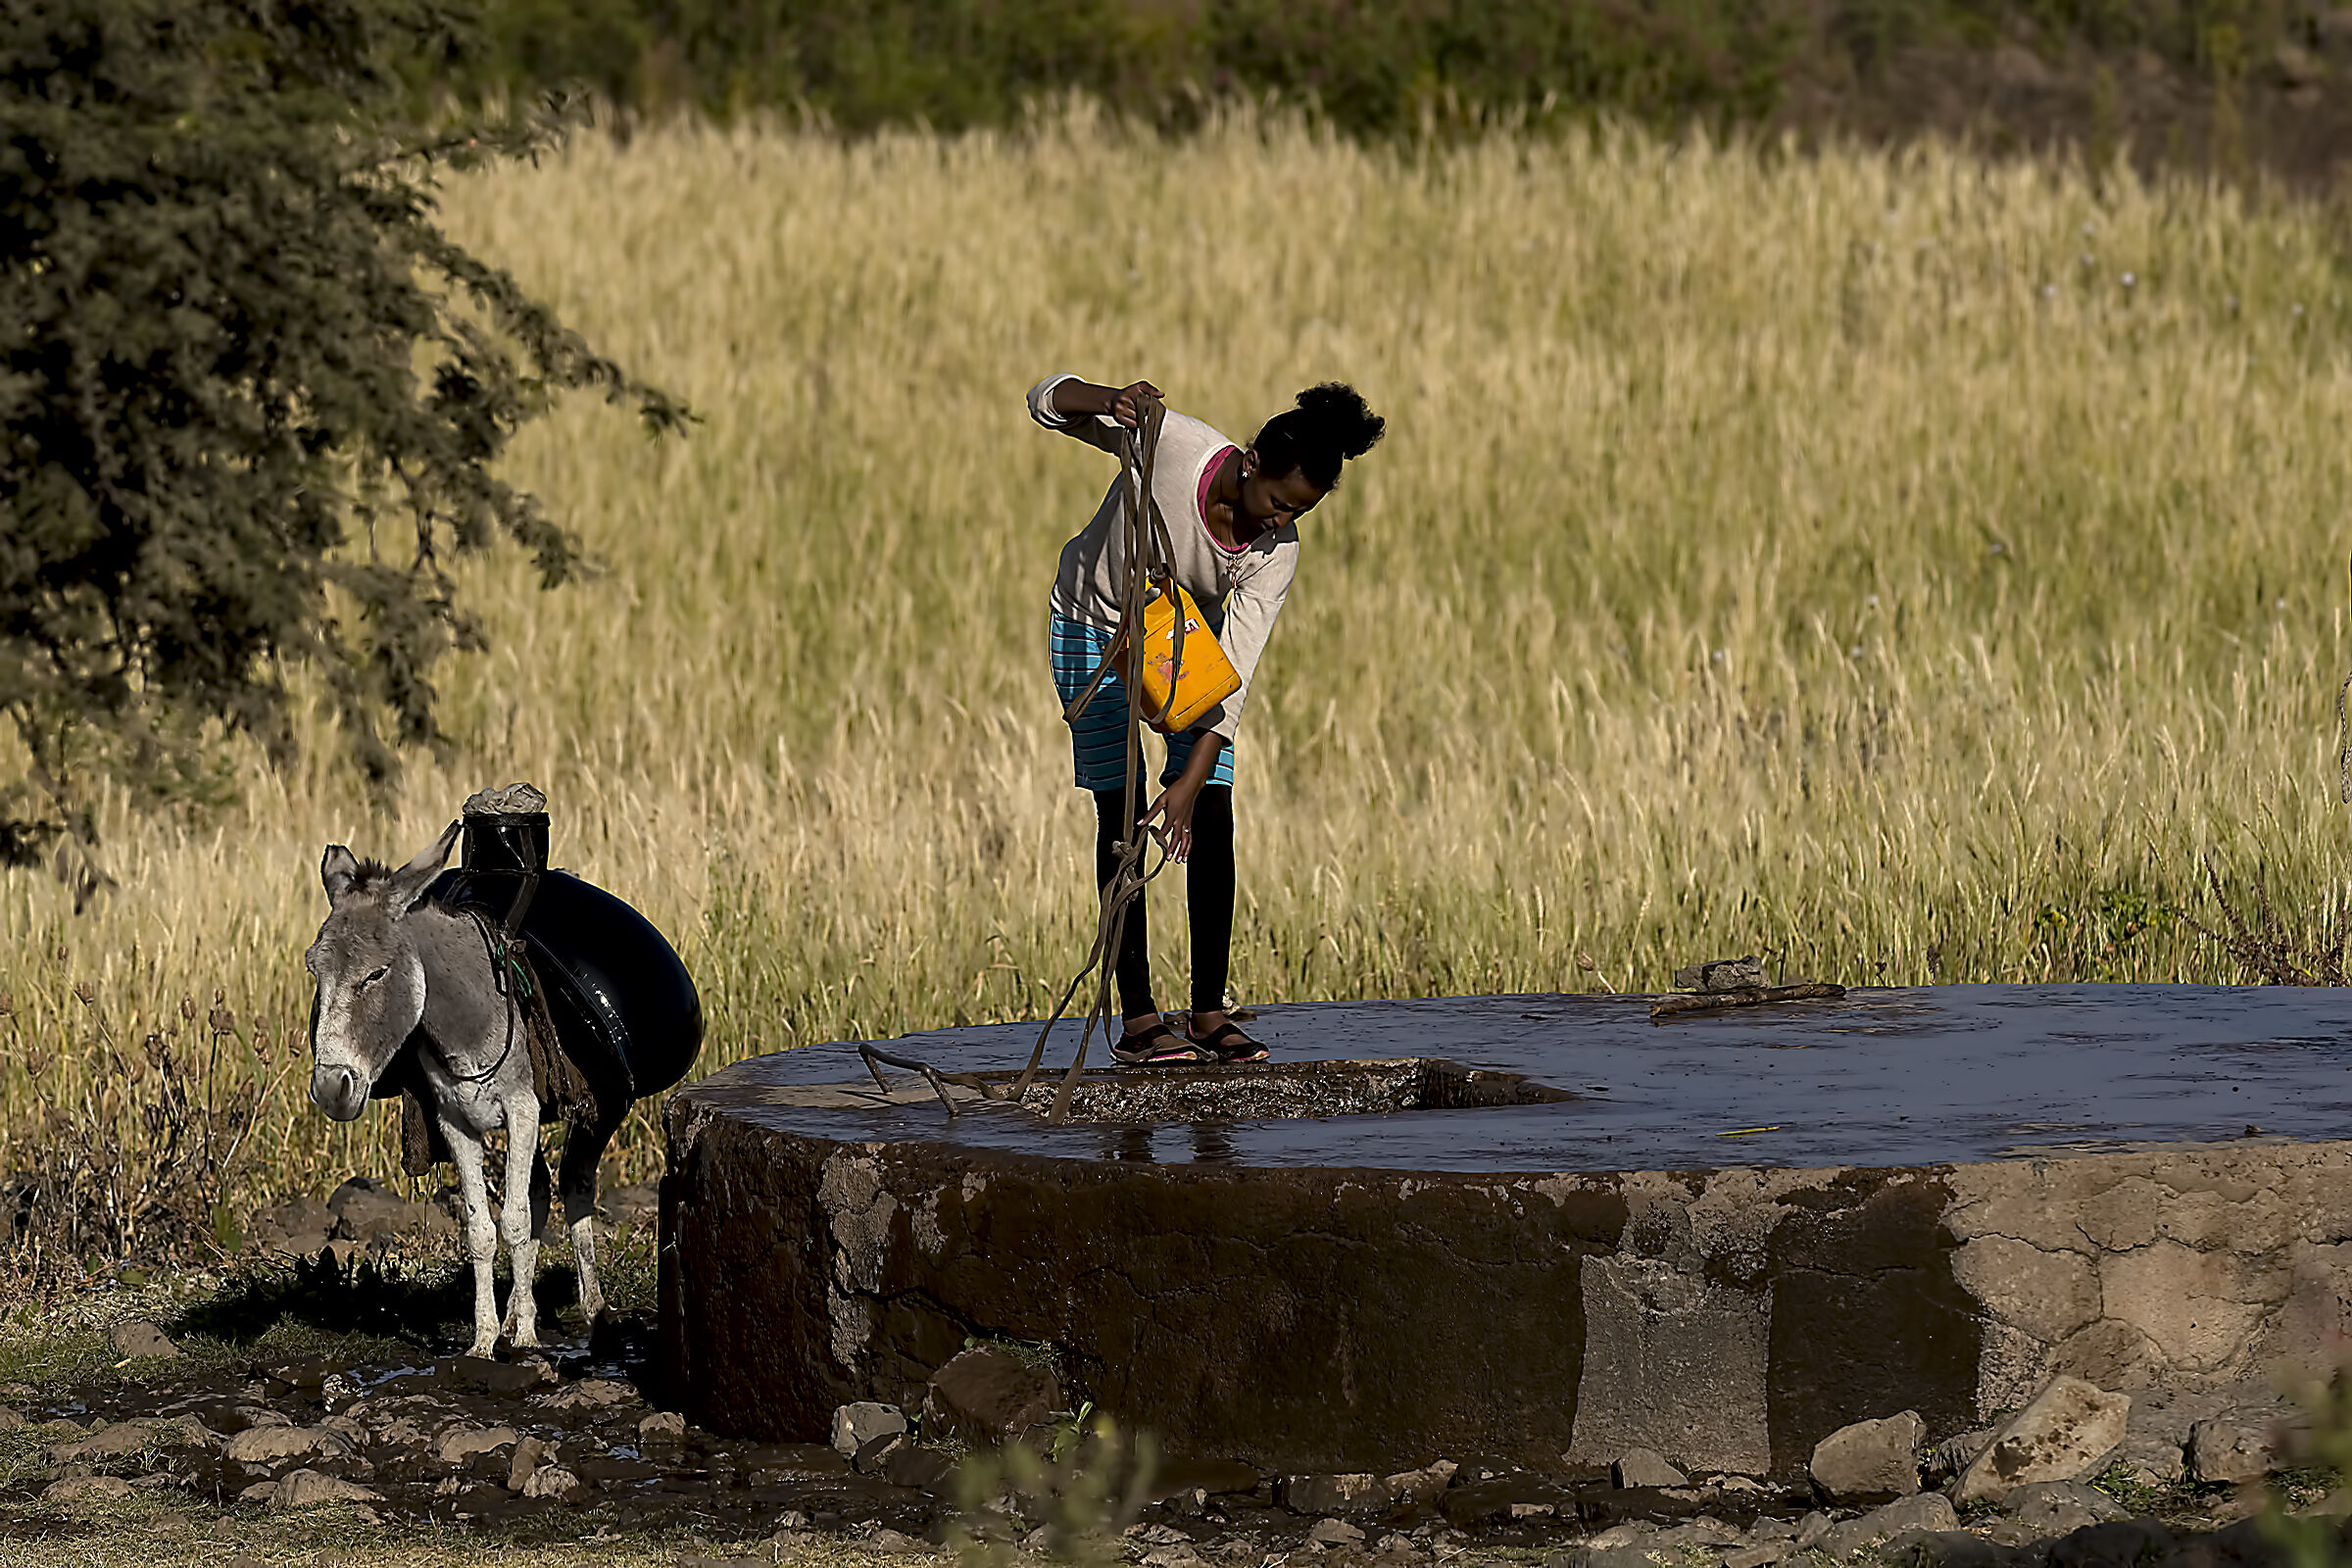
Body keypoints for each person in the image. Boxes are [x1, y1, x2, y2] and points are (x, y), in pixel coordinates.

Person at [1031, 372, 1385, 1065]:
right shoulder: (1169, 445)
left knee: (1213, 803)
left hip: (1180, 649)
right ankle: (1138, 1025)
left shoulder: (1275, 555)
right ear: (1251, 464)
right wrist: (1108, 400)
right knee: (1123, 806)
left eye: (1299, 514)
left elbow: (1236, 677)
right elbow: (1045, 400)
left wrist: (1191, 782)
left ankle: (1207, 1012)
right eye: (1279, 502)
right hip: (1093, 626)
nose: (1280, 522)